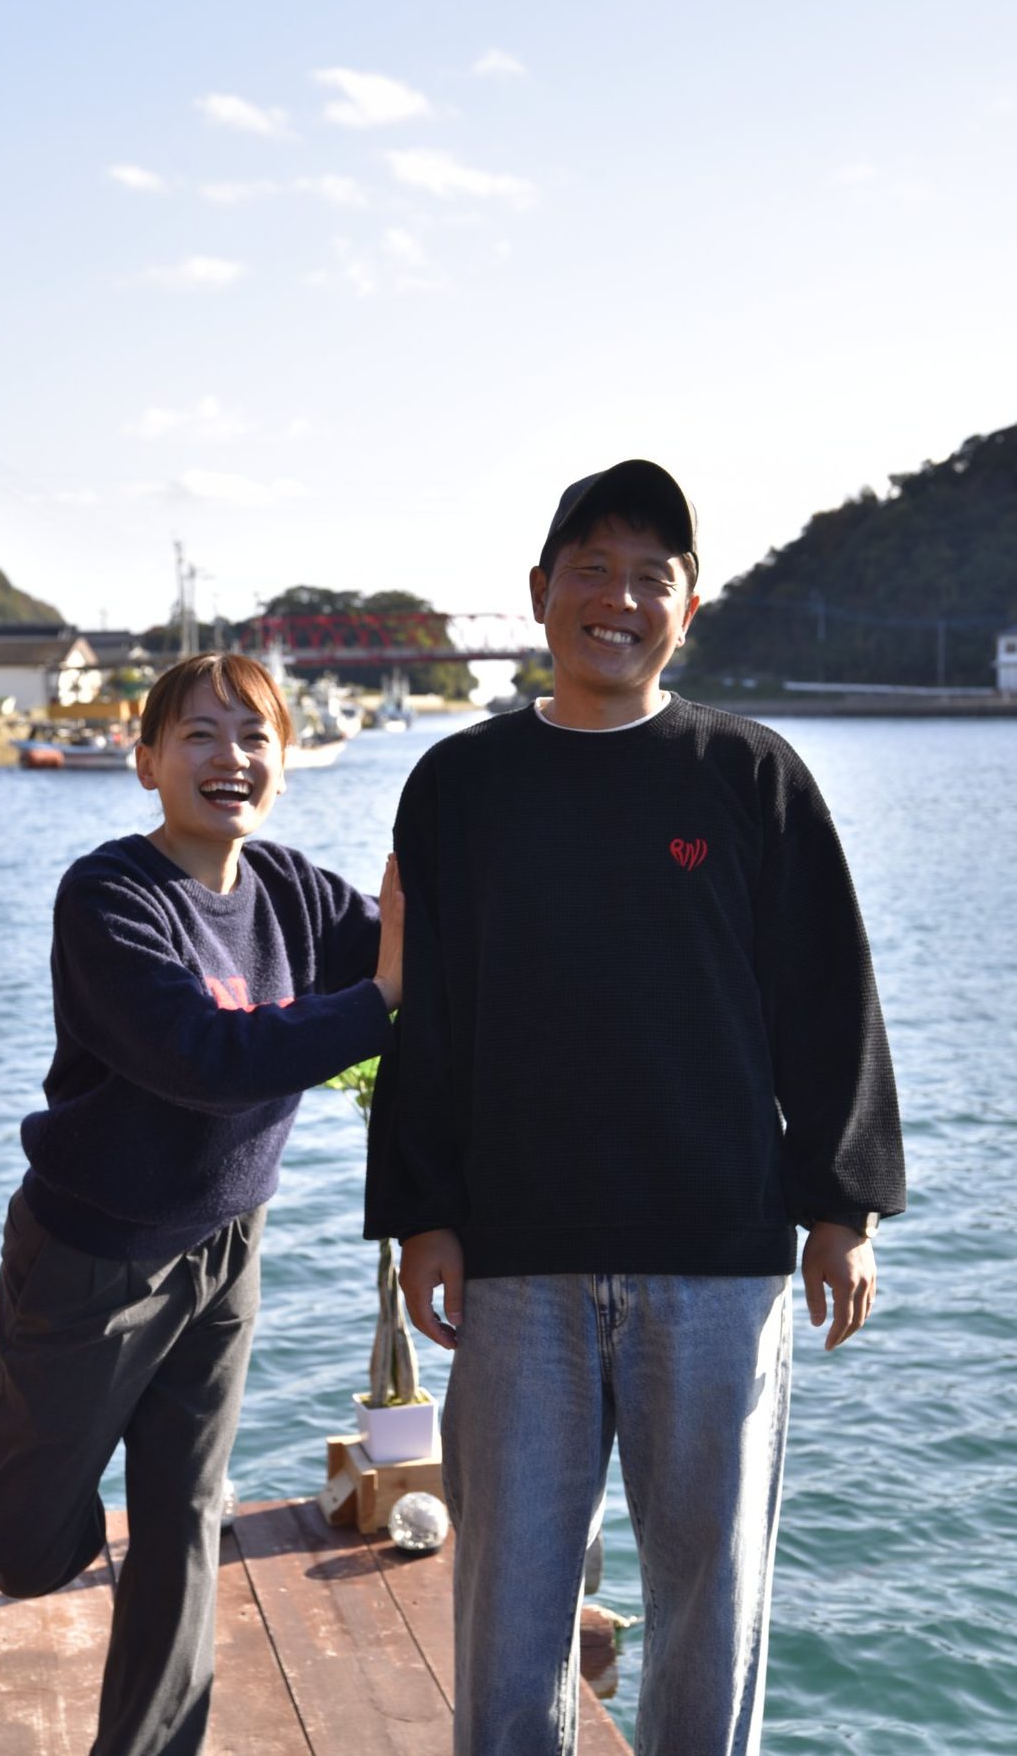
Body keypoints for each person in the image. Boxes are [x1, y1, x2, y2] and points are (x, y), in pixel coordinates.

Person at [365, 460, 905, 1756]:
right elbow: (424, 1015)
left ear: (690, 606)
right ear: (541, 592)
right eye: (592, 570)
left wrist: (839, 1207)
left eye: (649, 577)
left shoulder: (749, 773)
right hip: (517, 1266)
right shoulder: (459, 785)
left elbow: (827, 997)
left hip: (717, 1262)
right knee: (510, 1618)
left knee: (710, 1613)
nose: (619, 599)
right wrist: (422, 1217)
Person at [0, 651, 402, 1756]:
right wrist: (377, 1004)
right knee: (31, 1551)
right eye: (198, 734)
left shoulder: (292, 891)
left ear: (285, 762)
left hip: (228, 1246)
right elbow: (203, 1055)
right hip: (96, 1254)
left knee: (187, 1517)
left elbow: (427, 949)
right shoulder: (109, 896)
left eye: (254, 736)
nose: (229, 757)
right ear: (145, 761)